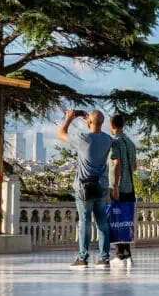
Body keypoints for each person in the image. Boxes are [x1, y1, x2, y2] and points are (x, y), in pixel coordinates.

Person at [59, 108, 114, 269]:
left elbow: (61, 134)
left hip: (84, 187)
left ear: (89, 122)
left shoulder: (83, 138)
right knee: (102, 222)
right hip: (102, 186)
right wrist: (91, 121)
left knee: (85, 222)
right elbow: (97, 131)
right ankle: (104, 258)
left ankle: (83, 257)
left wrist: (69, 119)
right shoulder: (108, 139)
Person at [108, 113, 138, 266]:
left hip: (118, 187)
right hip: (130, 186)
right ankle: (128, 254)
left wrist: (115, 186)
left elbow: (116, 163)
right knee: (126, 221)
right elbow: (134, 166)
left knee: (116, 219)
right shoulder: (131, 143)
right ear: (123, 125)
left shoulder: (114, 142)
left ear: (111, 125)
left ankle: (120, 254)